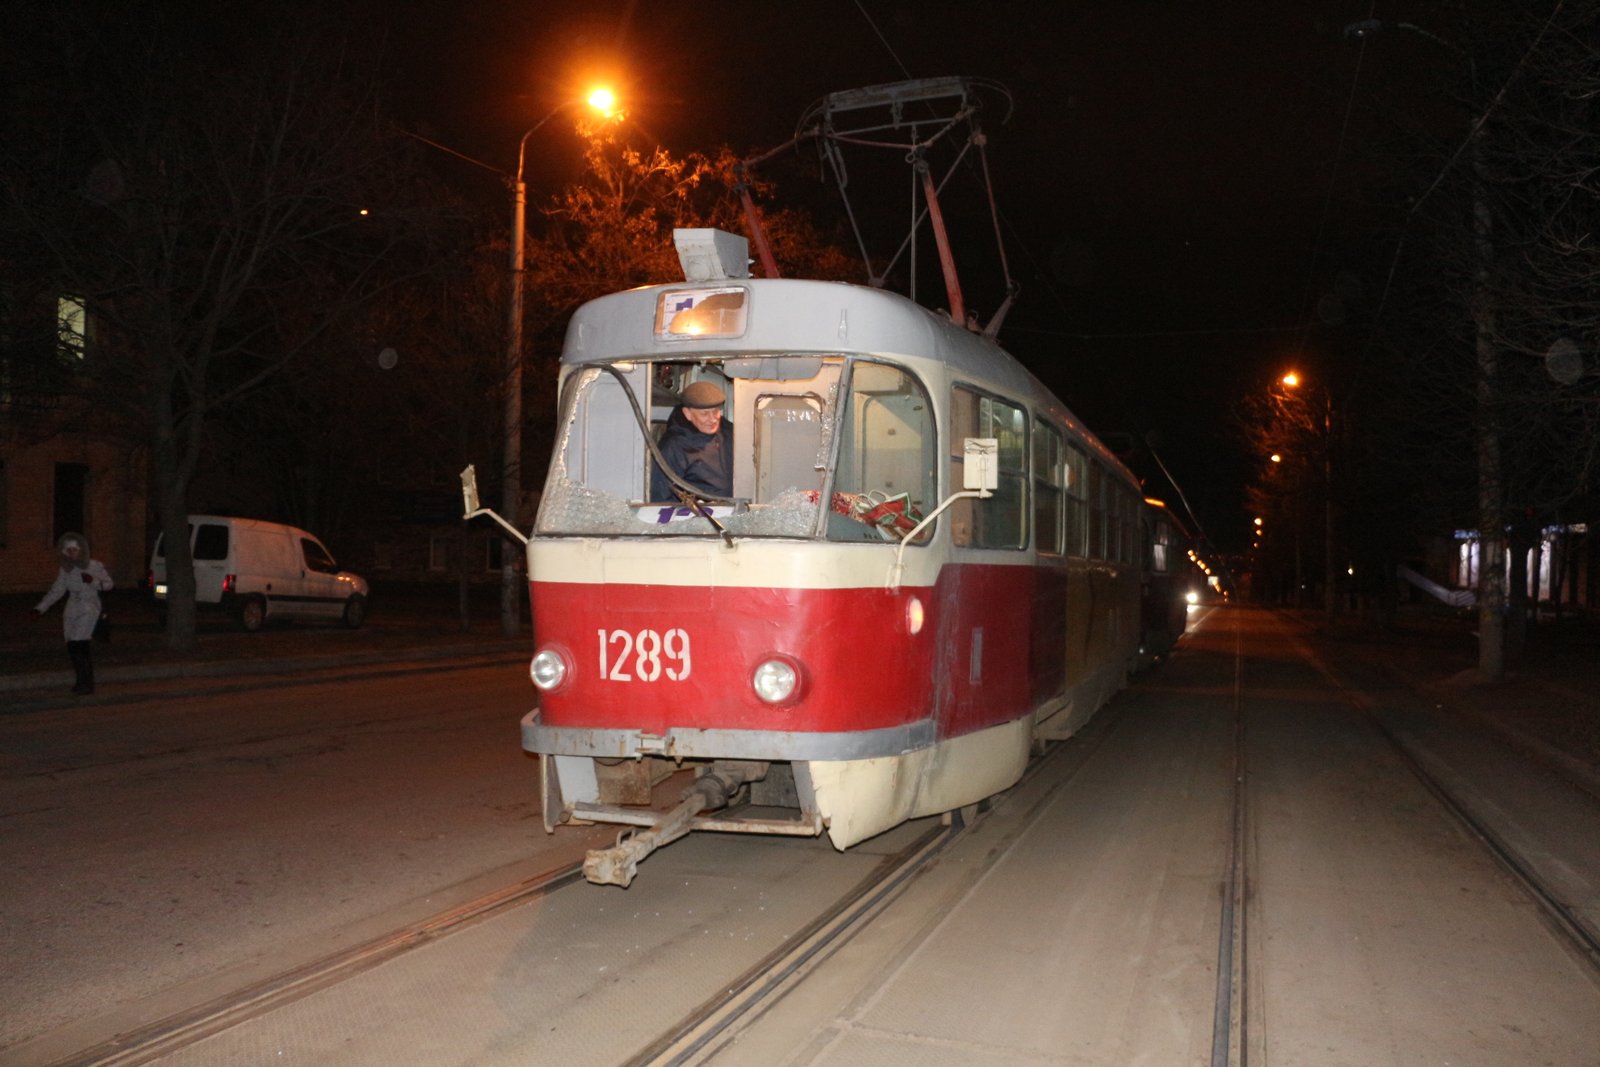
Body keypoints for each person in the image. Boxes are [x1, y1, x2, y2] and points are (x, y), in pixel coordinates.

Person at [33, 531, 113, 695]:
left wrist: (93, 581)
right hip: (72, 607)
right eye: (68, 550)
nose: (71, 553)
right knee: (72, 644)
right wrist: (40, 608)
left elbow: (109, 585)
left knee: (79, 643)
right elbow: (57, 590)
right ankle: (81, 681)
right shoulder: (66, 570)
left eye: (74, 550)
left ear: (81, 550)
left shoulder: (94, 565)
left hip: (88, 606)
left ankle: (86, 683)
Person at [649, 380, 733, 501]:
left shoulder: (729, 433)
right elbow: (661, 497)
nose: (713, 419)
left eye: (716, 412)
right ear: (687, 413)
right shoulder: (673, 447)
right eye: (704, 414)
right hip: (699, 516)